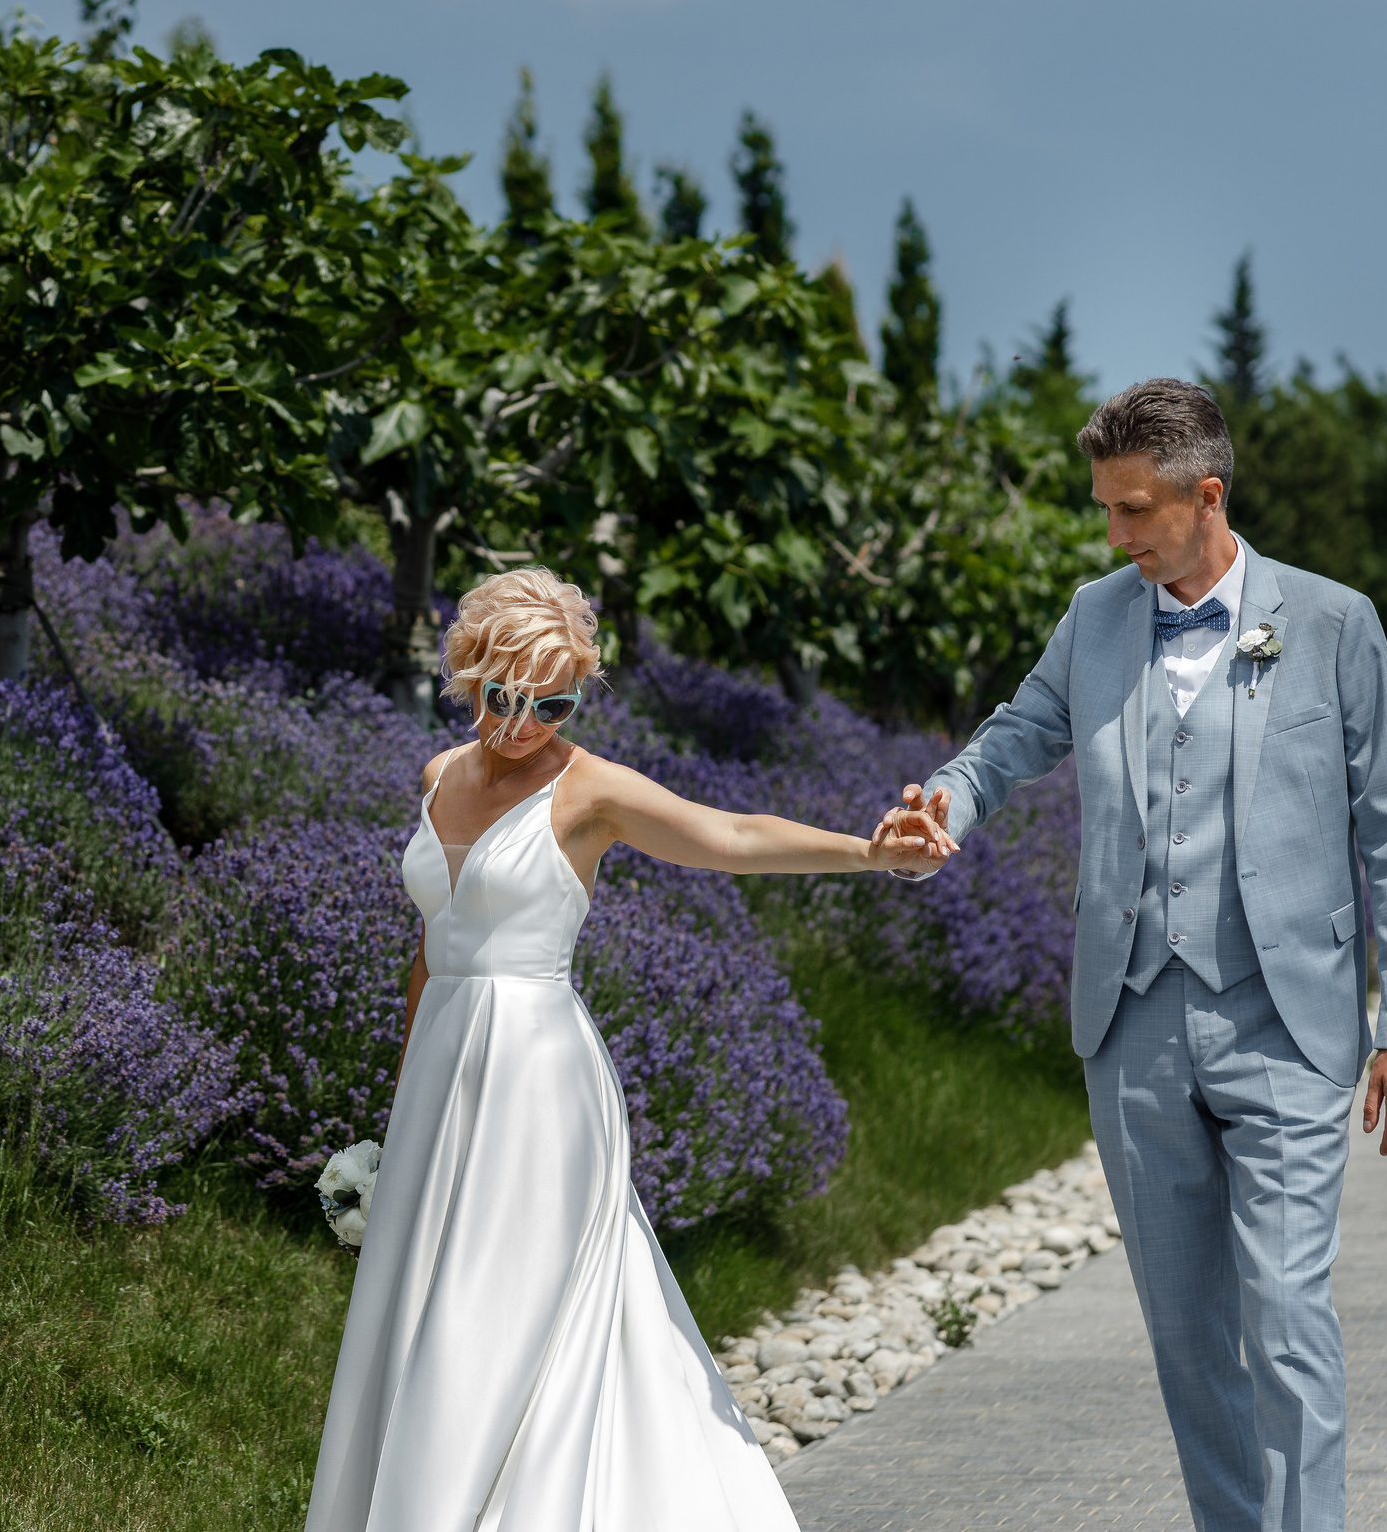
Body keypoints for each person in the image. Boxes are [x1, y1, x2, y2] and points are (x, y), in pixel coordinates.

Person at [876, 379, 1387, 1532]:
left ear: (1207, 495)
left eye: (1135, 510)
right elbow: (1012, 739)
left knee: (1284, 1315)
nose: (1115, 534)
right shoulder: (1093, 618)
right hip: (1132, 1027)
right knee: (1188, 1337)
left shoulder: (1333, 623)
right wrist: (941, 800)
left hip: (1288, 1024)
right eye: (1105, 509)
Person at [306, 567, 953, 1532]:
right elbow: (432, 952)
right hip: (444, 1078)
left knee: (513, 1310)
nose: (525, 720)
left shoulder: (590, 788)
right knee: (428, 1300)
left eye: (555, 700)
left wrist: (870, 852)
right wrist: (405, 1115)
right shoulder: (440, 773)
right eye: (504, 694)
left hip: (538, 1086)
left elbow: (729, 834)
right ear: (469, 672)